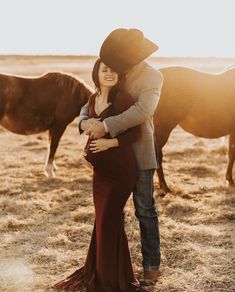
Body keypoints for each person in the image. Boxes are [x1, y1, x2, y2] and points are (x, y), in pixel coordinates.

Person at [53, 59, 146, 291]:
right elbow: (83, 122)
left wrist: (109, 144)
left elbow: (138, 131)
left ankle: (110, 280)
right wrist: (85, 125)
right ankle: (108, 272)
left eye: (114, 70)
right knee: (104, 222)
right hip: (100, 173)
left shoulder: (123, 98)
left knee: (108, 221)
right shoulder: (93, 99)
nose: (109, 73)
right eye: (105, 69)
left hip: (120, 172)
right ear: (97, 73)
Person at [79, 28, 163, 284]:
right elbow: (93, 100)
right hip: (113, 159)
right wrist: (84, 122)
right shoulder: (118, 71)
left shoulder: (153, 76)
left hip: (140, 152)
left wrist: (105, 126)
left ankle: (151, 268)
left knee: (145, 209)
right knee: (112, 213)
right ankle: (114, 269)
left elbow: (142, 110)